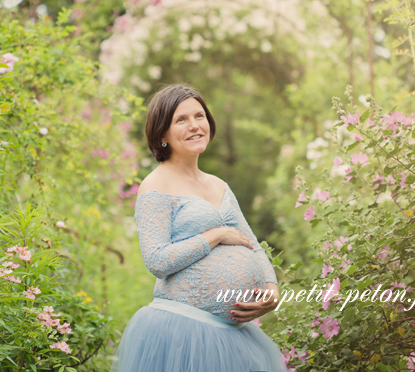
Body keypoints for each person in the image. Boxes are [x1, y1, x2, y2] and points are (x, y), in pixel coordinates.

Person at [109, 83, 290, 372]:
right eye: (181, 120)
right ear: (162, 133)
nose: (194, 126)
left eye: (199, 116)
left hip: (234, 336)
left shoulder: (219, 185)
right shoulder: (156, 186)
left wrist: (271, 288)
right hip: (182, 331)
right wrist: (215, 235)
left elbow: (252, 244)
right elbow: (157, 260)